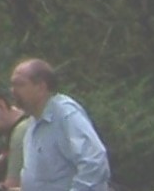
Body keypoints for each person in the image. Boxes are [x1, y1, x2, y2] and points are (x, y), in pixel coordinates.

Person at [9, 59, 110, 191]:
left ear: (41, 87)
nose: (13, 91)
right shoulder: (34, 122)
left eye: (19, 85)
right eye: (12, 85)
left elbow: (94, 160)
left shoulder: (65, 115)